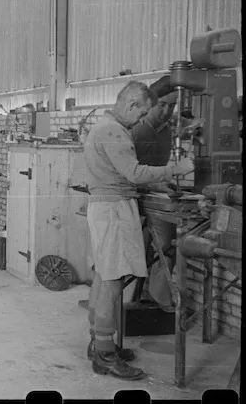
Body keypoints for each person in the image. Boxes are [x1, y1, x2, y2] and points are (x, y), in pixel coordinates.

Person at [83, 81, 195, 381]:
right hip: (114, 210)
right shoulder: (114, 131)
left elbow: (124, 174)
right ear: (132, 104)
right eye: (142, 113)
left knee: (105, 277)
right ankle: (105, 355)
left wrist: (156, 182)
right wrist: (177, 169)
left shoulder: (105, 126)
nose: (141, 119)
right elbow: (133, 171)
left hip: (109, 205)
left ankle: (99, 344)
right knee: (114, 281)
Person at [131, 76, 205, 312]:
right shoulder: (133, 128)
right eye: (161, 105)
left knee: (167, 245)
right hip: (128, 193)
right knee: (129, 250)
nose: (165, 111)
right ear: (150, 103)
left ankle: (159, 297)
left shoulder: (168, 128)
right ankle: (125, 296)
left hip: (156, 193)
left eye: (171, 106)